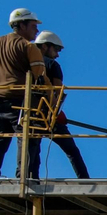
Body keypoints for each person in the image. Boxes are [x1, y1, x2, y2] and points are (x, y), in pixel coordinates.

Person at [0, 8, 47, 179]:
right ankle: (23, 178)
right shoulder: (29, 47)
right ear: (22, 25)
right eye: (33, 26)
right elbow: (40, 78)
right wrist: (52, 100)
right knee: (27, 139)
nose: (37, 30)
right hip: (21, 102)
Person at [32, 31, 90, 179]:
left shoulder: (27, 63)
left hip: (30, 113)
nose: (57, 54)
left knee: (32, 148)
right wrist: (57, 112)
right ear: (45, 46)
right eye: (56, 50)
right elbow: (57, 92)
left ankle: (32, 179)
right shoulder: (52, 65)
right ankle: (85, 180)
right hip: (48, 114)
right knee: (72, 150)